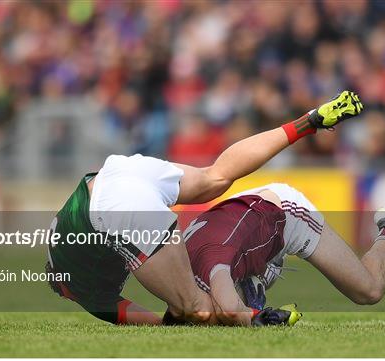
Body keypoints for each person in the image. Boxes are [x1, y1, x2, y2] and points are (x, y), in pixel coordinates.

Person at [46, 91, 364, 325]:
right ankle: (307, 123)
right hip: (118, 171)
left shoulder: (83, 292)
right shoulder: (59, 232)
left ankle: (255, 315)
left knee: (197, 309)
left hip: (114, 207)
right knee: (216, 176)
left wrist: (180, 314)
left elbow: (151, 322)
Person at [181, 183, 385, 326]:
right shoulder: (177, 272)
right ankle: (256, 279)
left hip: (286, 213)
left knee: (369, 290)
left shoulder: (212, 263)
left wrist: (259, 319)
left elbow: (229, 309)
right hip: (246, 217)